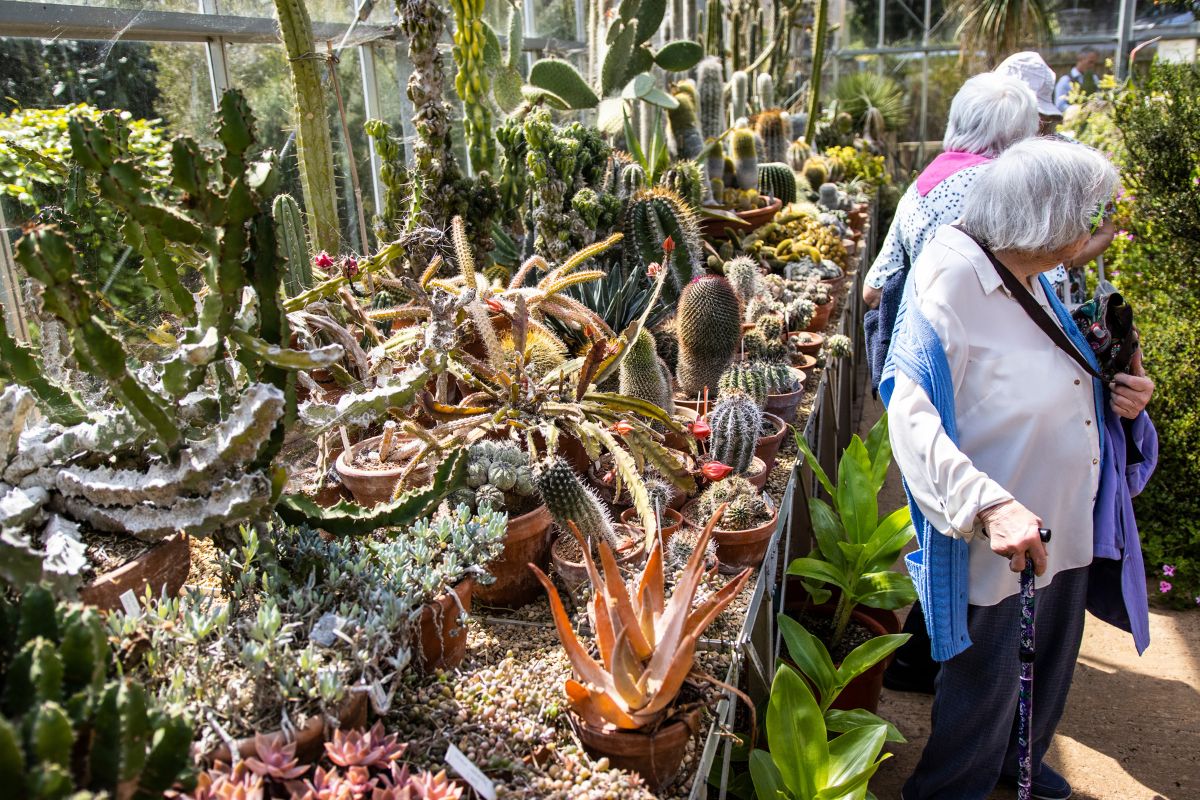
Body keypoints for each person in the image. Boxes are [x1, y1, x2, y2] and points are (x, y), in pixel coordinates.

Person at [884, 138, 1158, 800]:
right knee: (986, 677)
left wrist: (1127, 398)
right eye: (1088, 215)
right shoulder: (951, 277)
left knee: (1051, 662)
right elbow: (910, 417)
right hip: (1000, 536)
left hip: (1065, 517)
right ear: (1049, 220)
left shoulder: (1036, 275)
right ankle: (951, 789)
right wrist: (987, 505)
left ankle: (1019, 761)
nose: (1095, 229)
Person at [862, 72, 1038, 389]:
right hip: (1000, 376)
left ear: (955, 122)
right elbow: (1046, 294)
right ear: (1022, 133)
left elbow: (872, 290)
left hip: (926, 366)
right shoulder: (1018, 193)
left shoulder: (920, 188)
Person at [996, 51, 1117, 305]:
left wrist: (1065, 260)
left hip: (1061, 295)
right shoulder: (988, 156)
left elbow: (1105, 230)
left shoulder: (1078, 161)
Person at [1055, 46, 1101, 112]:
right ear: (1080, 59)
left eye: (1094, 63)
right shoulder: (1065, 80)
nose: (1092, 66)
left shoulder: (1094, 79)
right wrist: (1079, 110)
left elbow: (1099, 98)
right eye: (1090, 62)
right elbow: (1060, 105)